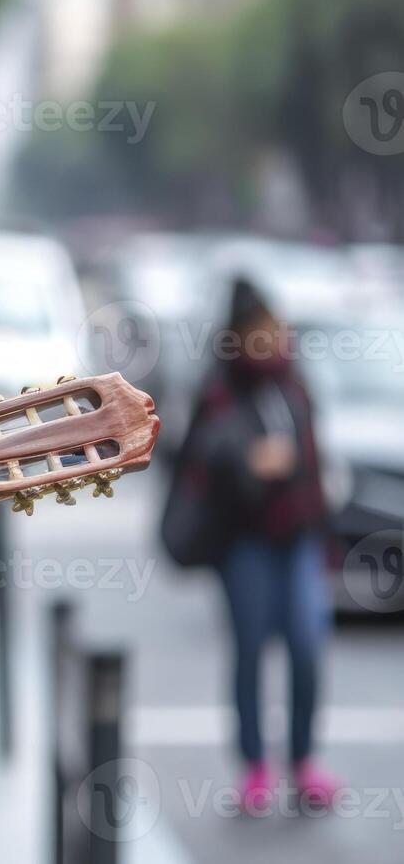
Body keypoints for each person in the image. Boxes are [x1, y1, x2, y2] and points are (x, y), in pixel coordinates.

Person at [174, 276, 341, 815]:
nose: (269, 339)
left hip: (296, 538)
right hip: (243, 540)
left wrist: (321, 529)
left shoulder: (294, 382)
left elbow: (315, 460)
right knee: (249, 650)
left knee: (306, 646)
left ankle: (304, 761)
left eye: (274, 328)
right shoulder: (220, 389)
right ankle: (254, 766)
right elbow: (197, 463)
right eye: (258, 331)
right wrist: (246, 463)